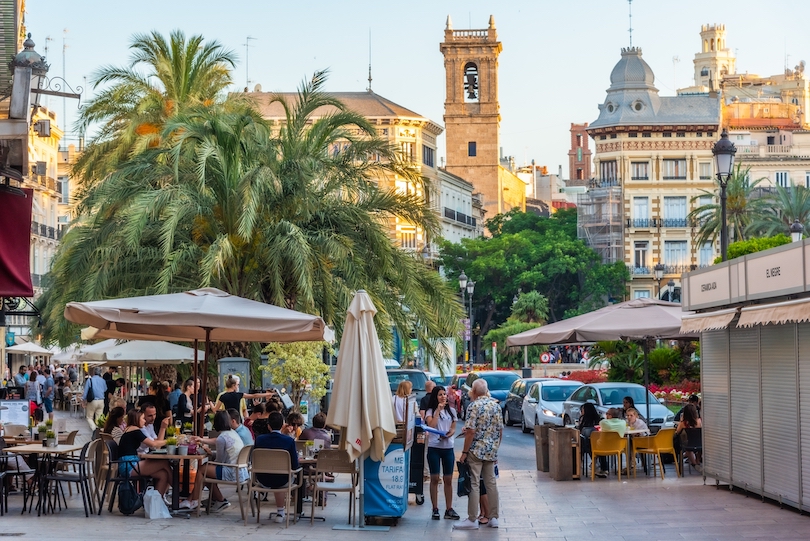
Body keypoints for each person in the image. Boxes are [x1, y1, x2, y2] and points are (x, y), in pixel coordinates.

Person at [454, 378, 502, 530]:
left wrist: (464, 452)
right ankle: (493, 517)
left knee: (474, 483)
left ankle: (472, 519)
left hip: (475, 450)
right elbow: (500, 431)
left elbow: (471, 432)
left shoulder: (473, 406)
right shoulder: (496, 406)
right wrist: (495, 448)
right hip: (490, 450)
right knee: (491, 483)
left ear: (473, 391)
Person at [185, 410, 247, 510]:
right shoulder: (233, 433)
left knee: (202, 470)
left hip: (231, 471)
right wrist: (210, 452)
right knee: (207, 472)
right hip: (241, 471)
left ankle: (194, 501)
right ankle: (218, 500)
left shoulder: (221, 438)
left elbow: (219, 462)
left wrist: (211, 454)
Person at [254, 411, 300, 523]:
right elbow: (295, 465)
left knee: (277, 472)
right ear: (283, 424)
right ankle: (280, 512)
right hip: (282, 480)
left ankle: (279, 512)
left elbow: (254, 459)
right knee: (282, 473)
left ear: (268, 426)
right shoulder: (289, 441)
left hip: (262, 479)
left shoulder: (259, 439)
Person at [117, 409, 172, 496]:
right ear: (137, 419)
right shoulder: (135, 430)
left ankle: (156, 502)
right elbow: (153, 444)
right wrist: (170, 441)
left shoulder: (129, 429)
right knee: (164, 462)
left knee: (163, 474)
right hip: (129, 465)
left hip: (127, 463)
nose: (144, 420)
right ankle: (177, 489)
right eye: (142, 418)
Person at [424, 385, 459, 521]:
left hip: (447, 447)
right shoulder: (430, 411)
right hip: (434, 447)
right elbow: (431, 426)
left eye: (444, 394)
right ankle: (435, 508)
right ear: (435, 397)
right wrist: (437, 411)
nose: (443, 396)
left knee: (448, 479)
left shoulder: (451, 411)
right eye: (440, 394)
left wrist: (448, 434)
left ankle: (449, 508)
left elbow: (453, 428)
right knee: (434, 478)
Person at [577, 402, 607, 478]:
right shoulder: (599, 419)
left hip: (586, 446)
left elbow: (580, 431)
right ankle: (603, 467)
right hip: (599, 445)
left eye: (582, 409)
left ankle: (580, 465)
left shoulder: (584, 421)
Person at [675, 403, 702, 472]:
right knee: (700, 447)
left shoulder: (683, 423)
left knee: (688, 449)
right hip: (700, 444)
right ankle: (698, 460)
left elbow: (677, 432)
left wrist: (681, 420)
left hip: (688, 445)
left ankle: (694, 463)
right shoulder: (699, 421)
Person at [83, 367, 108, 431]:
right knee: (99, 418)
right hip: (101, 400)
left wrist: (84, 400)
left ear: (94, 372)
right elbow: (105, 389)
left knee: (89, 417)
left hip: (92, 401)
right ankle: (98, 431)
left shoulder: (90, 380)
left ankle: (94, 429)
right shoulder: (103, 380)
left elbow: (86, 391)